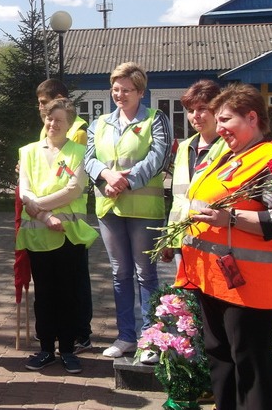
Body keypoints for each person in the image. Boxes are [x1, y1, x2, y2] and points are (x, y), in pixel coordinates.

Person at [175, 83, 272, 410]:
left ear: (251, 117)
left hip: (249, 286)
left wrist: (229, 218)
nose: (219, 129)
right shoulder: (230, 157)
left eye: (226, 120)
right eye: (217, 121)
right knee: (222, 360)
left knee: (251, 367)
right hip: (214, 281)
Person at [84, 61, 172, 359]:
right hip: (108, 206)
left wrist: (126, 181)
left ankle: (151, 340)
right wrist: (105, 177)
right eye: (115, 89)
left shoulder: (155, 119)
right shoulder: (100, 123)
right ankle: (125, 338)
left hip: (144, 208)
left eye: (126, 90)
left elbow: (158, 156)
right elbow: (89, 158)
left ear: (141, 91)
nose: (119, 95)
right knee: (120, 273)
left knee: (145, 273)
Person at [17, 98, 98, 374]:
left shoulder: (79, 151)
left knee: (68, 294)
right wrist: (44, 216)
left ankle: (67, 349)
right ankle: (45, 349)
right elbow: (24, 190)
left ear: (70, 123)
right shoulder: (27, 151)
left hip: (68, 235)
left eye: (60, 120)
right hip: (39, 235)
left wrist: (38, 207)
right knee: (44, 295)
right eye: (50, 118)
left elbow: (74, 190)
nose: (54, 124)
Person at [161, 80, 229, 267]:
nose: (195, 116)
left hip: (215, 242)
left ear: (217, 110)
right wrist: (169, 236)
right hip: (182, 239)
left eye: (202, 109)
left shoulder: (229, 147)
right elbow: (178, 199)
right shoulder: (184, 147)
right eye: (191, 111)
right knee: (185, 295)